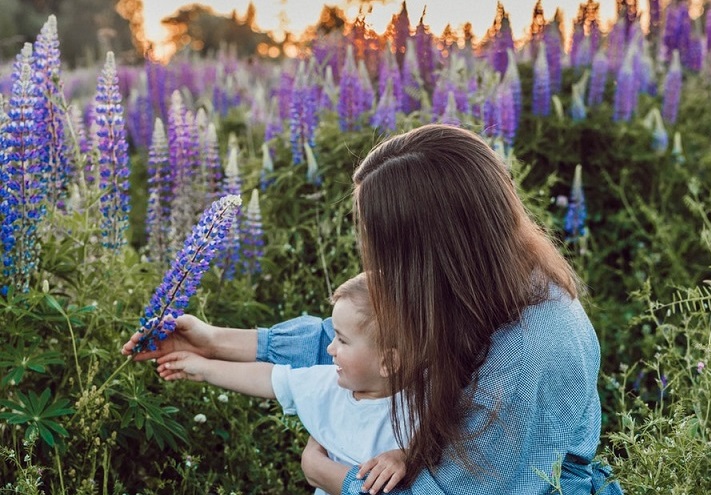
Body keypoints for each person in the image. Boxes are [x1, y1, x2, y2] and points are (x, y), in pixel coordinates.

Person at [125, 124, 622, 494]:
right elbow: (359, 340)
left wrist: (332, 476)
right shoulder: (484, 283)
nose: (375, 260)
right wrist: (212, 341)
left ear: (432, 249)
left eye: (385, 248)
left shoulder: (532, 348)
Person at [124, 273, 407, 495]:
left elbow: (436, 447)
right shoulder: (328, 383)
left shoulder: (424, 401)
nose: (330, 349)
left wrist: (403, 456)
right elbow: (269, 378)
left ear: (388, 363)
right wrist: (202, 367)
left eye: (342, 340)